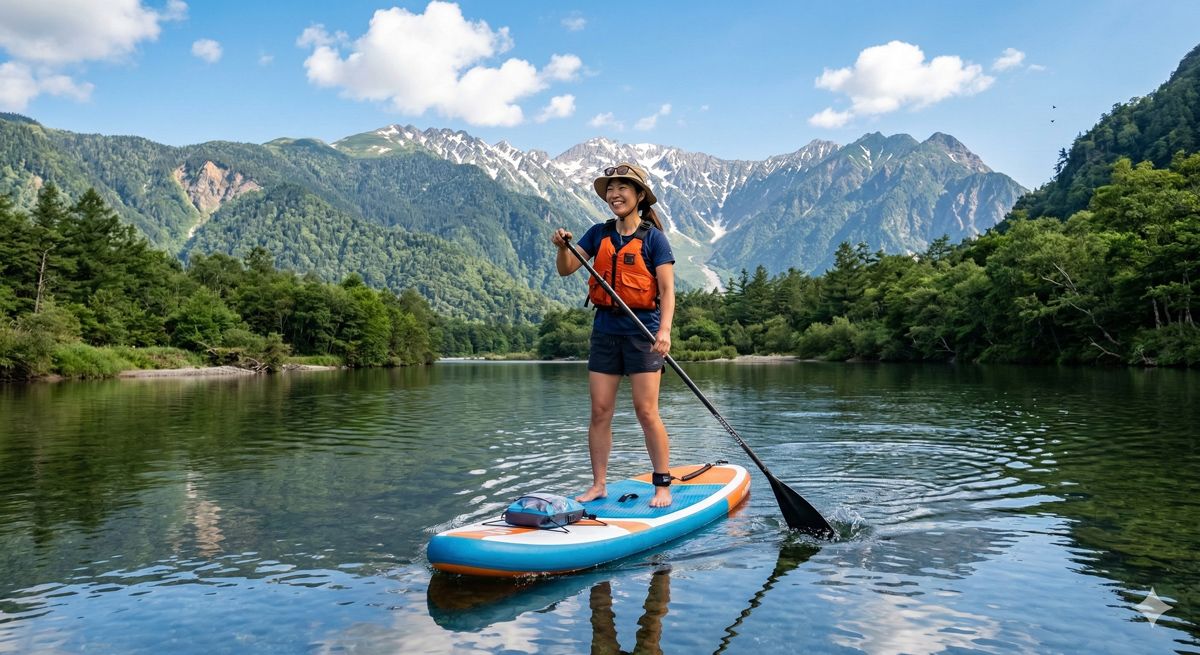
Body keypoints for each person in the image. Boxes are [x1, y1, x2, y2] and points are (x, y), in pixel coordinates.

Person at [551, 162, 676, 508]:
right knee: (600, 411)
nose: (615, 194)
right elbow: (566, 270)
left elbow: (667, 291)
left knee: (646, 411)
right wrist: (563, 247)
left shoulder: (655, 239)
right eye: (610, 188)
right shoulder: (598, 234)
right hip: (605, 331)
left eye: (623, 187)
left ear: (639, 196)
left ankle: (663, 485)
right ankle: (599, 484)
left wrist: (664, 331)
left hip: (643, 333)